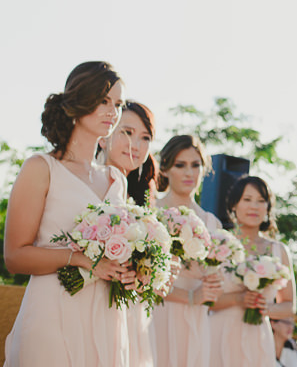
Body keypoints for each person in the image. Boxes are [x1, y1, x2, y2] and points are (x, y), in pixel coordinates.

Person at [3, 61, 135, 366]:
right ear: (78, 101)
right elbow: (14, 257)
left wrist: (131, 268)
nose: (112, 112)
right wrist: (81, 258)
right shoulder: (41, 168)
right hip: (54, 312)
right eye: (103, 101)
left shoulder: (117, 179)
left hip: (107, 315)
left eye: (117, 104)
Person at [153, 134, 225, 367]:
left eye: (196, 165)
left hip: (196, 320)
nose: (189, 173)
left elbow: (216, 283)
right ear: (164, 169)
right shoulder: (151, 213)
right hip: (157, 314)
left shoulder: (212, 223)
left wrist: (213, 286)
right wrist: (191, 297)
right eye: (180, 165)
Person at [210, 175, 297, 366]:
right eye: (247, 200)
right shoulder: (219, 243)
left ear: (267, 208)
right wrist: (237, 299)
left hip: (258, 335)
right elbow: (205, 300)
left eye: (260, 201)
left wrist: (268, 308)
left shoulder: (278, 250)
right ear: (234, 205)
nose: (254, 207)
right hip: (219, 333)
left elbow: (289, 305)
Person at [96, 99, 159, 367]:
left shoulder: (141, 203)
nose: (137, 145)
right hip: (86, 307)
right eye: (127, 132)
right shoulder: (79, 187)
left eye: (145, 138)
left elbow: (151, 278)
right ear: (104, 136)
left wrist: (145, 275)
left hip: (129, 316)